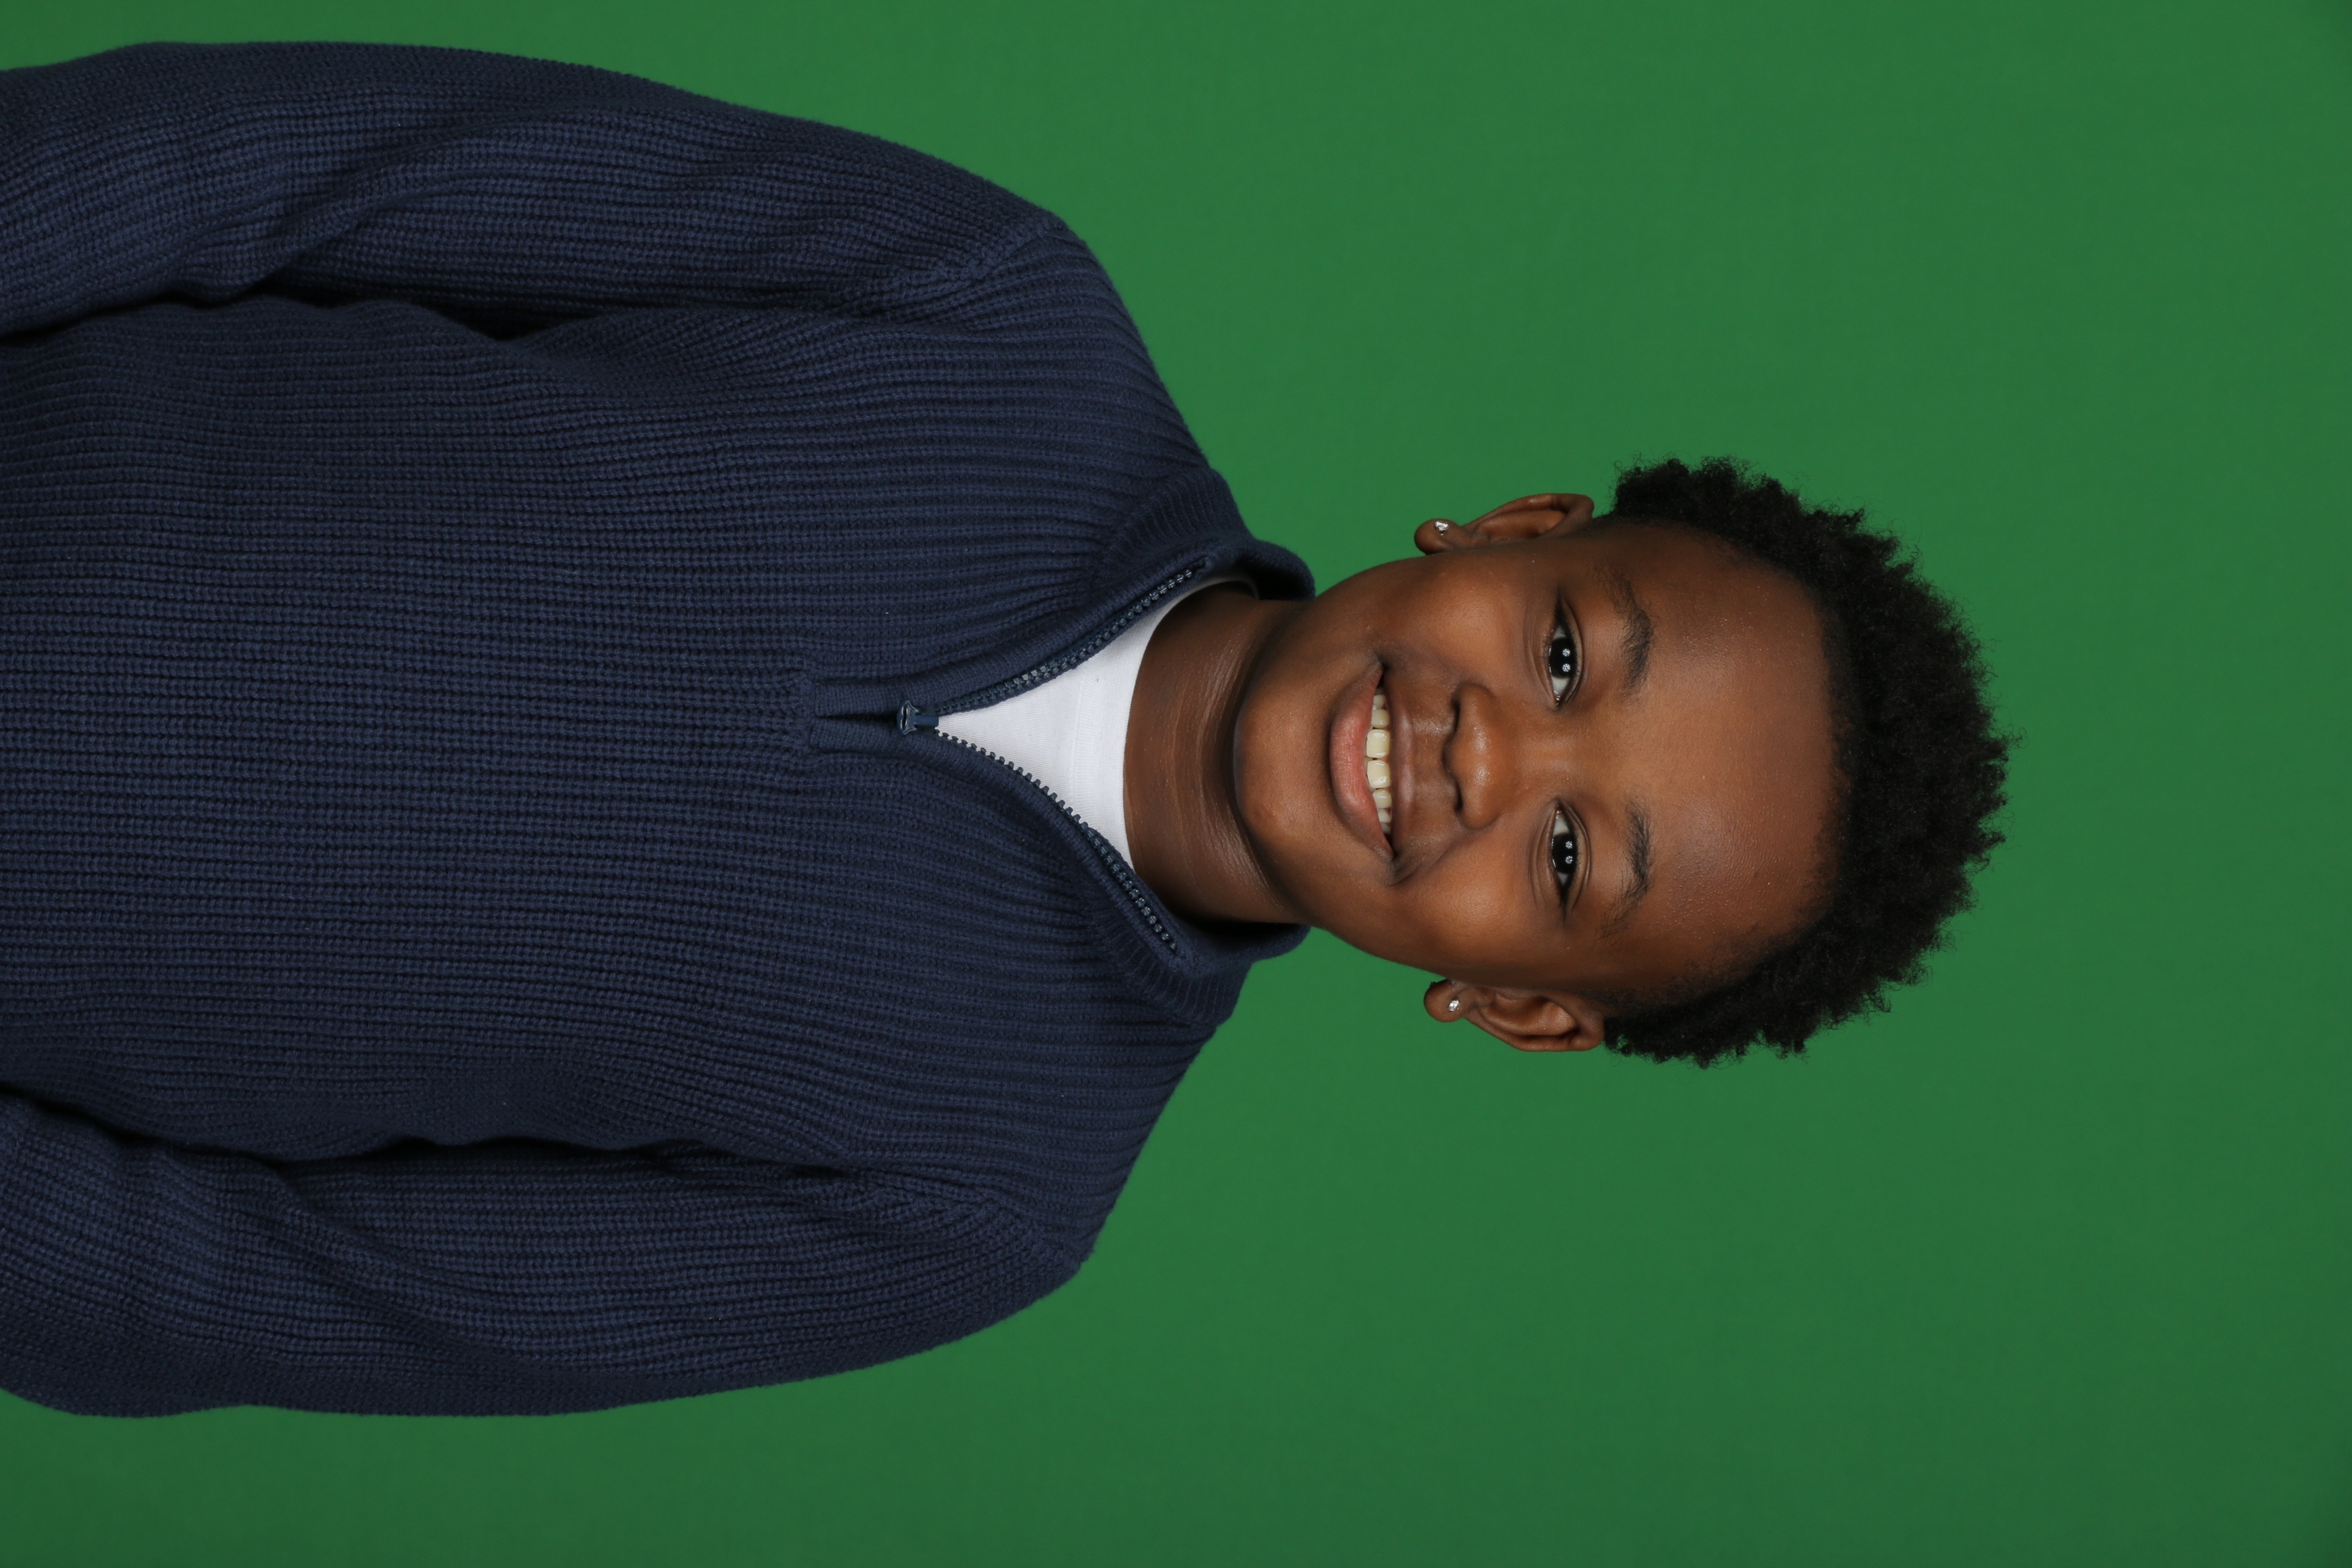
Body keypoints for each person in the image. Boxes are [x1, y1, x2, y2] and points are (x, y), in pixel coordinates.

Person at [0, 41, 2008, 1417]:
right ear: (1514, 526)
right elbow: (298, 162)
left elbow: (262, 1292)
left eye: (1572, 861)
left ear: (1516, 1007)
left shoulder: (972, 1202)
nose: (1496, 755)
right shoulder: (983, 307)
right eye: (1568, 655)